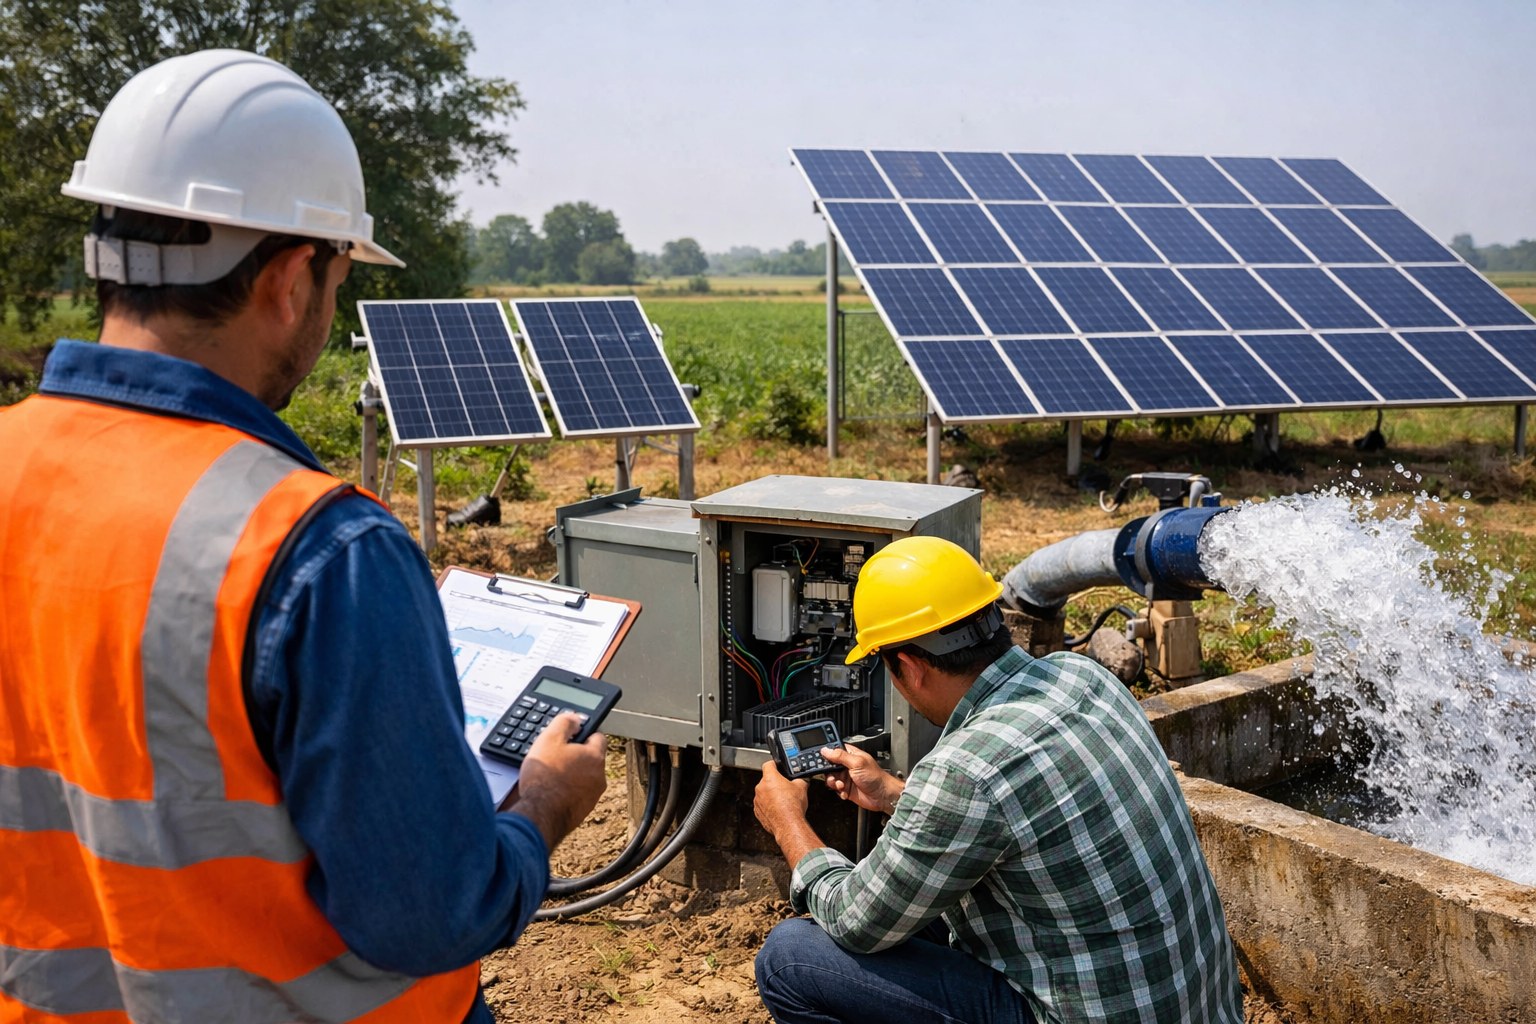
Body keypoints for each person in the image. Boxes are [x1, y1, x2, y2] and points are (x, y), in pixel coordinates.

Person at [0, 49, 606, 1023]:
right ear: (290, 279)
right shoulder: (320, 550)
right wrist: (544, 805)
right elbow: (431, 911)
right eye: (337, 279)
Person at [752, 536, 1244, 1024]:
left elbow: (854, 922)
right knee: (921, 905)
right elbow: (1021, 814)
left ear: (908, 667)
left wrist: (788, 821)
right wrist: (897, 796)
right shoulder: (1084, 677)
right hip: (1199, 1010)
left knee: (790, 957)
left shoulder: (964, 770)